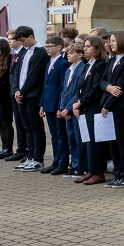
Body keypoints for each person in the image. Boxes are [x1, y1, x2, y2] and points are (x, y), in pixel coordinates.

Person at [99, 32, 124, 187]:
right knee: (113, 142)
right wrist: (108, 87)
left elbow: (121, 86)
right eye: (110, 41)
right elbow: (102, 81)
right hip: (110, 104)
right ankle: (118, 173)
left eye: (114, 41)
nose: (110, 44)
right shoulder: (111, 60)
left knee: (123, 141)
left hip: (122, 106)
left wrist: (107, 105)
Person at [72, 36, 110, 185]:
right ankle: (90, 170)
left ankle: (98, 172)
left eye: (88, 46)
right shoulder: (88, 64)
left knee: (95, 142)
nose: (85, 48)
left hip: (94, 108)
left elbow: (95, 89)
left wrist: (80, 102)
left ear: (97, 48)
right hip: (84, 108)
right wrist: (77, 103)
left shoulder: (100, 65)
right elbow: (79, 86)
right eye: (85, 46)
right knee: (87, 141)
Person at [12, 26, 49, 172]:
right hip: (22, 95)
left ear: (31, 36)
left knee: (36, 127)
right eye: (20, 41)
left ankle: (38, 159)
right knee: (27, 127)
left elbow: (34, 76)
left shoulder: (41, 53)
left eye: (23, 40)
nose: (22, 43)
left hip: (32, 95)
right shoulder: (24, 53)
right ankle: (30, 155)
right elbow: (17, 74)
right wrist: (16, 90)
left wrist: (22, 92)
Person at [38, 36, 70, 174]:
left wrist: (60, 107)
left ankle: (62, 163)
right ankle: (55, 161)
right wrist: (41, 105)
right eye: (46, 46)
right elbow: (45, 86)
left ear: (59, 47)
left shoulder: (63, 63)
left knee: (61, 134)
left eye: (50, 46)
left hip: (57, 104)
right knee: (54, 134)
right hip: (48, 104)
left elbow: (63, 87)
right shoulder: (49, 63)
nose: (47, 49)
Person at [59, 42, 85, 177]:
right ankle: (74, 164)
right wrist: (62, 107)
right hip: (67, 110)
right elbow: (64, 90)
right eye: (67, 53)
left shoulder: (82, 69)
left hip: (75, 108)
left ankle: (81, 166)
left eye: (71, 53)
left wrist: (68, 108)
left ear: (79, 55)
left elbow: (77, 91)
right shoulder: (69, 69)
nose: (68, 55)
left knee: (78, 138)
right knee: (71, 139)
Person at [5, 31, 27, 163]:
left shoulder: (24, 54)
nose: (9, 41)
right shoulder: (14, 55)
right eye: (8, 39)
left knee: (23, 124)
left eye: (11, 39)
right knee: (19, 123)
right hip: (14, 93)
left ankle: (24, 149)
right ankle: (21, 149)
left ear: (19, 40)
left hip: (20, 93)